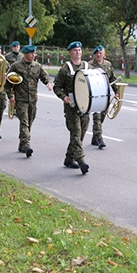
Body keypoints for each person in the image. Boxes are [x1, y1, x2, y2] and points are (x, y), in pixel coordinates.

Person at [6, 44, 53, 157]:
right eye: (31, 53)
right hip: (21, 99)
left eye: (34, 53)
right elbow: (8, 83)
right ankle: (27, 146)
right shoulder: (16, 66)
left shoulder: (37, 66)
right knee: (24, 122)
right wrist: (11, 96)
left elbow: (44, 76)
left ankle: (22, 143)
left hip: (33, 100)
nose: (33, 55)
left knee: (30, 121)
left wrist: (48, 83)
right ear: (26, 54)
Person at [53, 41, 91, 174]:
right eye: (75, 50)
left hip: (85, 107)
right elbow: (57, 87)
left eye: (79, 50)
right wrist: (64, 97)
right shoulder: (65, 69)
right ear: (70, 52)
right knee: (76, 134)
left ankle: (69, 159)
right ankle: (81, 162)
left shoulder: (87, 66)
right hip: (72, 108)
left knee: (81, 134)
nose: (78, 52)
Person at [89, 45, 116, 148]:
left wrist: (117, 92)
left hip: (106, 94)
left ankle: (95, 137)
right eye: (97, 53)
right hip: (95, 95)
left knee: (103, 116)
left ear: (104, 54)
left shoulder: (108, 65)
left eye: (100, 53)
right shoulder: (90, 65)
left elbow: (112, 78)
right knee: (97, 116)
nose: (98, 55)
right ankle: (100, 138)